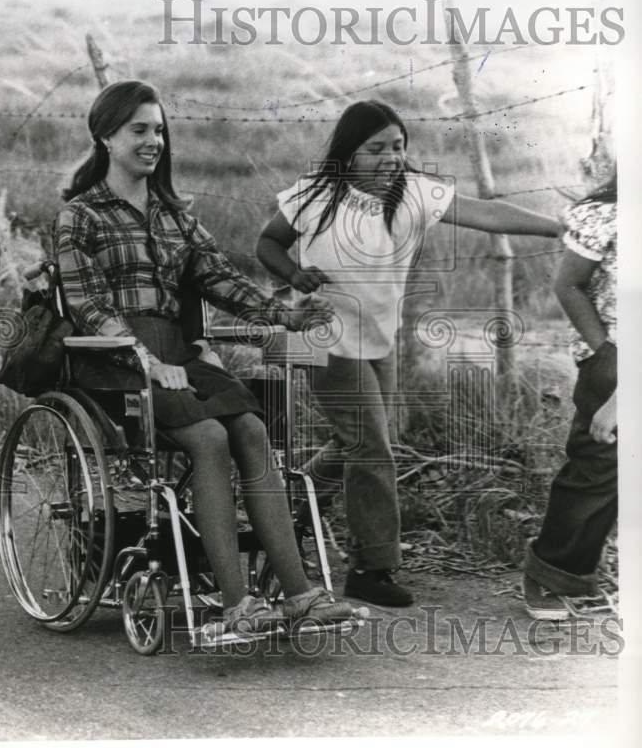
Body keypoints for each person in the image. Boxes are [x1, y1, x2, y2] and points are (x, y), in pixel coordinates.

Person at [53, 80, 358, 640]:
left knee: (248, 428)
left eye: (160, 130)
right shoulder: (81, 217)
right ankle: (237, 604)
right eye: (139, 130)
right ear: (106, 137)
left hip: (179, 354)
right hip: (113, 359)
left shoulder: (175, 216)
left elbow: (218, 278)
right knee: (209, 438)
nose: (154, 141)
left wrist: (281, 315)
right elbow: (86, 304)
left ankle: (300, 596)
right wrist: (143, 357)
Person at [257, 100, 562, 609]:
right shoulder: (314, 195)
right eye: (375, 149)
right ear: (348, 154)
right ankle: (371, 567)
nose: (390, 158)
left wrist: (559, 227)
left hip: (377, 338)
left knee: (372, 439)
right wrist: (292, 275)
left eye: (398, 147)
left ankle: (289, 501)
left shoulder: (415, 193)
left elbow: (487, 214)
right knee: (371, 445)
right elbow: (267, 243)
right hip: (320, 335)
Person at [522, 167, 617, 619]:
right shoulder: (608, 215)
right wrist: (606, 352)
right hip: (617, 354)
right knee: (600, 463)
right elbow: (569, 284)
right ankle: (555, 573)